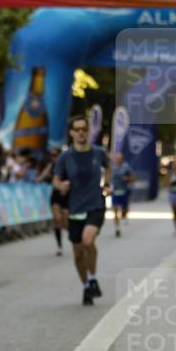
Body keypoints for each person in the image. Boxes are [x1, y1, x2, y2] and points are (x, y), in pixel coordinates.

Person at [53, 115, 110, 306]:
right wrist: (60, 185)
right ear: (71, 133)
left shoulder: (98, 153)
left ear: (88, 131)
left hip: (95, 204)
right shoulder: (65, 157)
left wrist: (108, 184)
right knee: (78, 253)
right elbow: (56, 179)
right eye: (76, 129)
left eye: (84, 129)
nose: (80, 133)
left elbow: (108, 167)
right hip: (75, 207)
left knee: (88, 240)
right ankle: (86, 286)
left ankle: (93, 277)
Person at [37, 147, 68, 256]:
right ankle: (59, 246)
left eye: (55, 155)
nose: (53, 157)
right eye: (52, 155)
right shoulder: (51, 167)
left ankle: (75, 237)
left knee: (65, 222)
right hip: (56, 195)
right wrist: (48, 168)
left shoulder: (66, 165)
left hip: (66, 195)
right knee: (57, 218)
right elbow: (39, 179)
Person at [109, 151, 135, 237]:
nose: (118, 160)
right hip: (115, 191)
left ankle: (124, 215)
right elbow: (107, 177)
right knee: (115, 210)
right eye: (117, 158)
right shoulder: (111, 167)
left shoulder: (126, 167)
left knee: (124, 210)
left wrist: (127, 178)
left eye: (120, 158)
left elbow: (133, 178)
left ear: (122, 159)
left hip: (124, 191)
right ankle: (117, 228)